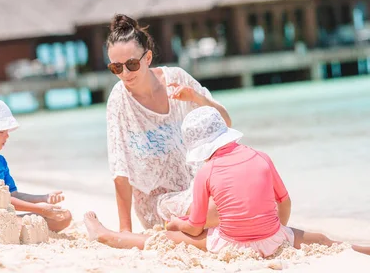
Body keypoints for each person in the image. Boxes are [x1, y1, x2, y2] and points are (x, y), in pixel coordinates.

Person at [84, 106, 370, 257]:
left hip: (232, 245)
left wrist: (175, 224)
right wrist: (278, 229)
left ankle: (107, 235)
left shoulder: (206, 172)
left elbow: (196, 227)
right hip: (273, 238)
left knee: (163, 238)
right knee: (321, 239)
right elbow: (284, 201)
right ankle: (358, 249)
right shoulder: (262, 157)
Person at [105, 13, 231, 231]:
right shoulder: (119, 100)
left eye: (132, 64)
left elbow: (226, 124)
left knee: (248, 193)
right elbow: (120, 171)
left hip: (200, 186)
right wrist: (125, 232)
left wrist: (197, 99)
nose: (125, 73)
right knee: (221, 209)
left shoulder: (177, 78)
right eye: (116, 68)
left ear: (148, 58)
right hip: (160, 203)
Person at [0, 97, 72, 232]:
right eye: (1, 131)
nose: (7, 136)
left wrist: (44, 198)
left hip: (5, 214)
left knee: (64, 216)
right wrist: (40, 209)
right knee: (37, 222)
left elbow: (13, 195)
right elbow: (0, 198)